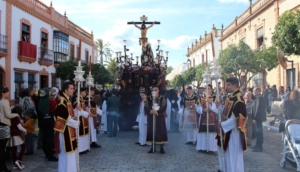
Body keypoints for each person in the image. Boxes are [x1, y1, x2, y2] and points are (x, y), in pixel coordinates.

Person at [216, 78, 247, 172]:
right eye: (226, 84)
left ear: (235, 85)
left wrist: (223, 123)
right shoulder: (230, 97)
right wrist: (219, 107)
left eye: (228, 85)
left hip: (233, 133)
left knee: (232, 155)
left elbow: (236, 119)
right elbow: (225, 112)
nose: (226, 87)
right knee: (225, 153)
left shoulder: (239, 100)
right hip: (226, 130)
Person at [54, 82, 80, 172]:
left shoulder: (68, 100)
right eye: (71, 88)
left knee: (71, 154)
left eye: (73, 88)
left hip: (70, 130)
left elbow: (70, 114)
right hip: (65, 132)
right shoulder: (62, 101)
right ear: (65, 90)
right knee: (66, 156)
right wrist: (75, 123)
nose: (73, 90)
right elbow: (64, 117)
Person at [144, 85, 168, 154]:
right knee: (152, 131)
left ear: (158, 91)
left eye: (156, 90)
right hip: (151, 117)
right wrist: (151, 111)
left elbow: (164, 108)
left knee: (160, 131)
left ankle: (161, 147)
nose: (154, 91)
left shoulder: (162, 99)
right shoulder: (148, 99)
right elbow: (146, 107)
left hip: (159, 118)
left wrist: (157, 112)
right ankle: (152, 147)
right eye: (153, 90)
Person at [0, 86, 17, 172]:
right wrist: (16, 114)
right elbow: (8, 115)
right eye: (7, 92)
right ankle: (3, 167)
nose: (8, 93)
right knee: (3, 148)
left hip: (0, 125)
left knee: (1, 147)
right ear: (3, 93)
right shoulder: (5, 102)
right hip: (5, 125)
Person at [196, 84, 218, 152]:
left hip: (212, 119)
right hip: (203, 118)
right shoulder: (201, 98)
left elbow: (217, 109)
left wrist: (211, 103)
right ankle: (203, 147)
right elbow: (197, 108)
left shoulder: (215, 98)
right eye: (206, 88)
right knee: (203, 133)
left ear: (211, 89)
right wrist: (203, 110)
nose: (207, 90)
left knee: (212, 134)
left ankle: (211, 148)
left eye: (208, 88)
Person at [39, 87, 58, 161]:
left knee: (44, 137)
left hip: (43, 120)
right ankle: (50, 155)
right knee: (50, 138)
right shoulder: (51, 102)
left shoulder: (40, 101)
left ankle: (46, 153)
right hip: (50, 120)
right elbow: (55, 108)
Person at [73, 88, 89, 154]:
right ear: (81, 92)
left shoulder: (81, 99)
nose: (85, 93)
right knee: (80, 133)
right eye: (84, 92)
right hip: (80, 118)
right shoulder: (78, 99)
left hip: (83, 118)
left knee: (84, 133)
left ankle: (84, 147)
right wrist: (85, 113)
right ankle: (80, 149)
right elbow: (77, 110)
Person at [252, 87, 266, 152]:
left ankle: (259, 147)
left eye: (254, 91)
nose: (253, 92)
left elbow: (257, 109)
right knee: (257, 132)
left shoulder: (259, 98)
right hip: (259, 117)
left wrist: (255, 118)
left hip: (258, 118)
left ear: (258, 91)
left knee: (259, 132)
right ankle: (257, 144)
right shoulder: (259, 98)